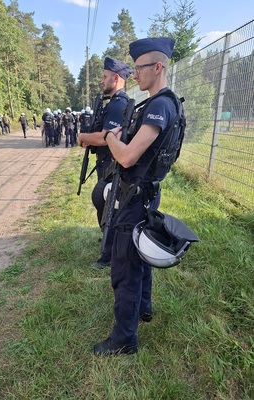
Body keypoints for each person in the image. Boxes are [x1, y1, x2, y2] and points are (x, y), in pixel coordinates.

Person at [79, 37, 180, 356]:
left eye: (140, 68)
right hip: (146, 193)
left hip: (135, 196)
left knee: (124, 268)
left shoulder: (159, 106)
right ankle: (144, 308)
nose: (135, 73)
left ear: (158, 67)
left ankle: (124, 338)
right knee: (141, 253)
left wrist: (109, 138)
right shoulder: (163, 103)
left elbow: (126, 157)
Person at [78, 57, 132, 268]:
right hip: (106, 163)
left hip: (112, 165)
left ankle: (108, 254)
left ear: (116, 78)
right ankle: (108, 242)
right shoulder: (114, 103)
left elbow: (105, 137)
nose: (102, 81)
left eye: (104, 77)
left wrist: (83, 137)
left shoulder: (118, 105)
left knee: (109, 205)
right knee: (104, 202)